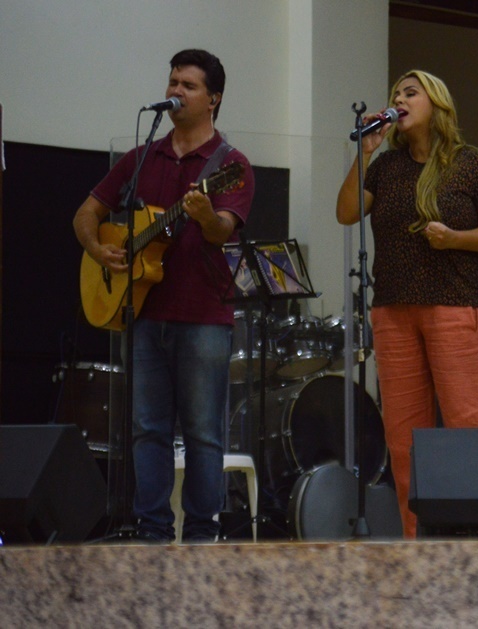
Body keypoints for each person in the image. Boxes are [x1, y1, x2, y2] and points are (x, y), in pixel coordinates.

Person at [73, 49, 255, 542]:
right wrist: (99, 250)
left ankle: (200, 535)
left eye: (188, 85)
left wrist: (204, 215)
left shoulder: (230, 165)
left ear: (213, 99)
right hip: (145, 314)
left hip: (204, 317)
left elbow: (222, 230)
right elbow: (85, 214)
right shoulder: (142, 157)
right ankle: (151, 533)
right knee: (147, 430)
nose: (176, 91)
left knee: (203, 434)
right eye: (173, 81)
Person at [336, 70, 478, 538]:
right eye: (396, 93)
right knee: (404, 439)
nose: (399, 99)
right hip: (394, 310)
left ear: (437, 104)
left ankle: (470, 540)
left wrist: (454, 238)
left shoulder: (472, 163)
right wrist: (363, 153)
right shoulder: (385, 166)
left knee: (463, 428)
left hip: (457, 305)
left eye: (410, 93)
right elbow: (346, 213)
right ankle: (419, 543)